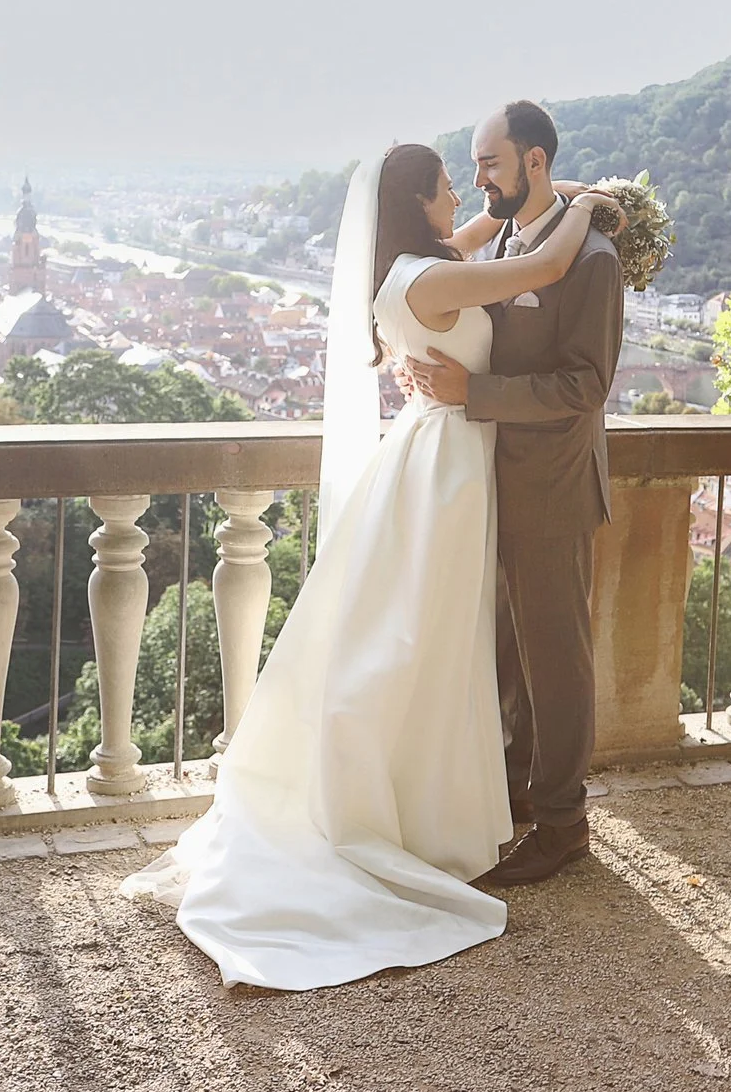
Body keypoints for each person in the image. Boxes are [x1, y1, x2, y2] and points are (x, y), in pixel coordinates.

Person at [122, 139, 622, 991]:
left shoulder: (416, 268)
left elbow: (491, 226)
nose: (460, 192)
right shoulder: (434, 281)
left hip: (447, 455)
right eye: (446, 184)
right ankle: (417, 807)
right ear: (419, 201)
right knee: (422, 637)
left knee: (431, 636)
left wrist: (563, 186)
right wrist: (596, 207)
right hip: (451, 462)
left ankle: (441, 797)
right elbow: (543, 259)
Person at [399, 99, 623, 885]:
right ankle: (519, 798)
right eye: (472, 165)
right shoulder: (497, 242)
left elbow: (585, 386)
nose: (477, 178)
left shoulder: (592, 258)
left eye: (489, 162)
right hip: (485, 486)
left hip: (553, 490)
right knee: (506, 657)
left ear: (534, 161)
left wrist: (475, 391)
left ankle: (565, 824)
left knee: (557, 662)